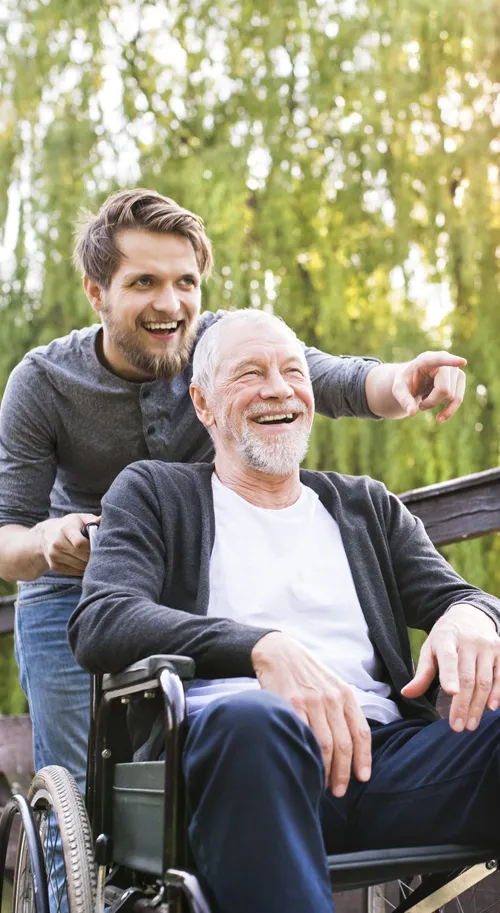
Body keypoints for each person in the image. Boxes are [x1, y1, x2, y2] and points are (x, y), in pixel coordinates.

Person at [0, 189, 467, 794]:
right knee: (85, 793)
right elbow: (6, 532)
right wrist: (44, 543)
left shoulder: (225, 349)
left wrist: (403, 379)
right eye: (144, 282)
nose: (170, 304)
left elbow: (331, 379)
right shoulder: (41, 384)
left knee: (209, 746)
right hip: (75, 587)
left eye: (185, 282)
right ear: (97, 292)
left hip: (194, 577)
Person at [70, 309, 500, 913]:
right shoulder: (153, 493)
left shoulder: (365, 506)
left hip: (389, 763)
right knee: (254, 719)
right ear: (203, 403)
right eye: (250, 373)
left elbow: (463, 597)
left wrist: (472, 614)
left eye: (293, 371)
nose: (279, 388)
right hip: (243, 758)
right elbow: (102, 621)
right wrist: (259, 647)